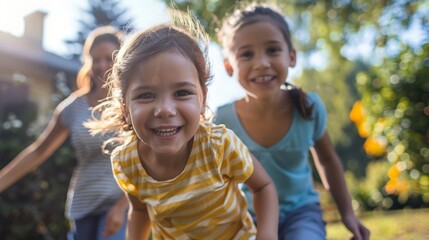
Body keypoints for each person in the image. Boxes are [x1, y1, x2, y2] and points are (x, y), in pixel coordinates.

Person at [86, 10, 278, 240]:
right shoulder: (127, 163)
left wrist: (267, 234)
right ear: (125, 107)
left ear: (202, 99)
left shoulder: (218, 145)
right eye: (146, 95)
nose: (165, 109)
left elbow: (263, 187)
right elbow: (139, 210)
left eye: (182, 92)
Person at [214, 3, 370, 240]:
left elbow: (328, 161)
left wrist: (347, 213)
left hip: (302, 213)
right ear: (228, 65)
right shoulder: (222, 120)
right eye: (246, 54)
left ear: (292, 56)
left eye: (273, 50)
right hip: (248, 215)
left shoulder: (309, 108)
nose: (261, 63)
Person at [0, 26, 128, 240]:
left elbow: (149, 159)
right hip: (83, 203)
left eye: (109, 58)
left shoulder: (133, 103)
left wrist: (125, 204)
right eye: (95, 59)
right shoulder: (72, 108)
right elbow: (38, 151)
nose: (102, 65)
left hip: (121, 202)